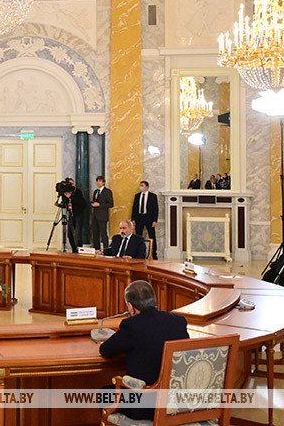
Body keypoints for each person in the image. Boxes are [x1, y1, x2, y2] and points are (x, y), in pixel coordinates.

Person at [98, 280, 189, 421]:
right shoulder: (178, 321)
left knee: (104, 394)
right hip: (177, 400)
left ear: (131, 307)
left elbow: (105, 350)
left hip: (145, 404)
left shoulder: (132, 325)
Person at [57, 178, 87, 252]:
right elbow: (66, 204)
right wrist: (59, 205)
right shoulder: (65, 192)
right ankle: (74, 249)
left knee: (77, 233)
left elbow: (81, 203)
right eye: (69, 184)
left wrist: (71, 197)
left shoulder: (77, 191)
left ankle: (79, 249)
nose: (71, 185)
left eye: (72, 184)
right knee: (69, 234)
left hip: (78, 214)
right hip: (70, 215)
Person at [131, 181, 158, 259]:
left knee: (152, 236)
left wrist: (155, 220)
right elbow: (134, 208)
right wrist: (133, 219)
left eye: (142, 185)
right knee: (138, 236)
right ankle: (139, 253)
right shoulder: (137, 196)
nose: (141, 187)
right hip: (139, 218)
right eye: (140, 186)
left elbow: (155, 209)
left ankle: (154, 254)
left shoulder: (153, 196)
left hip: (149, 218)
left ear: (147, 187)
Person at [90, 176, 113, 251]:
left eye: (99, 181)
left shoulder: (107, 191)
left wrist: (99, 205)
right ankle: (97, 249)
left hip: (103, 216)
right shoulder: (96, 191)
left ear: (103, 182)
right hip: (95, 215)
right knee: (95, 233)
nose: (98, 183)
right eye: (97, 181)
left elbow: (111, 204)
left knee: (103, 233)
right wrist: (93, 204)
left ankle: (106, 249)